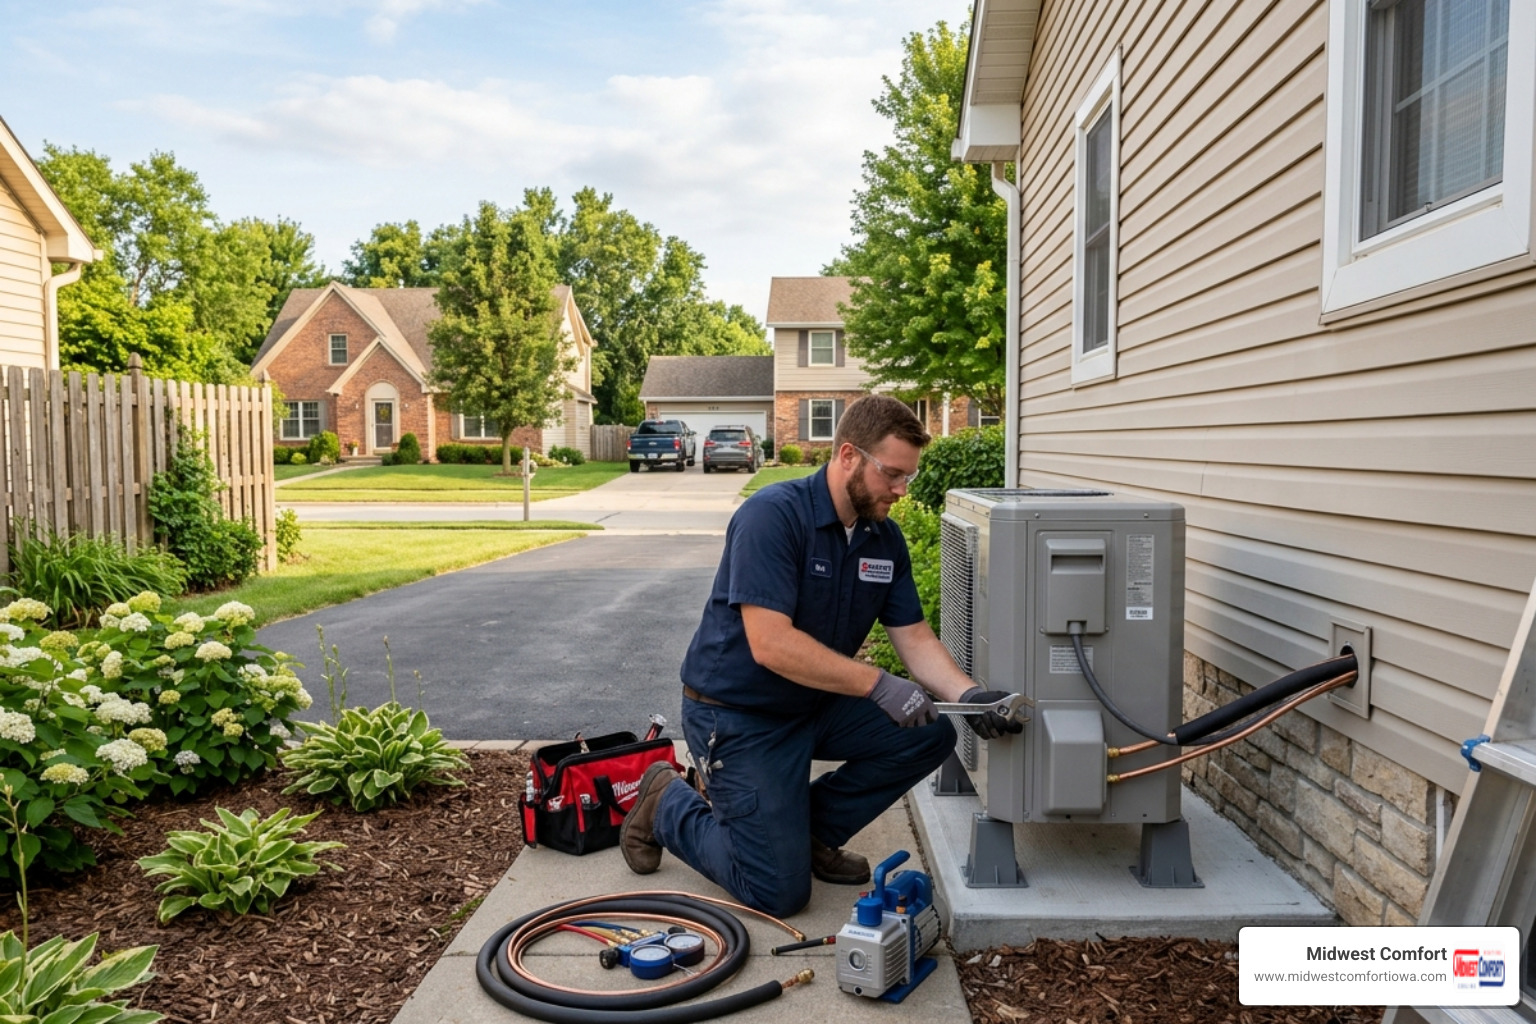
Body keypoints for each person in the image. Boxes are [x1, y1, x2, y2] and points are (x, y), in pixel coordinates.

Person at [618, 395, 1020, 917]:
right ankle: (667, 801)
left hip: (813, 705)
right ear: (849, 456)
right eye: (893, 474)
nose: (901, 490)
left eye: (908, 478)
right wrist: (878, 684)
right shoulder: (772, 517)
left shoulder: (882, 539)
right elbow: (771, 644)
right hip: (738, 715)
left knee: (930, 733)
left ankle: (804, 834)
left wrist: (970, 696)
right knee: (778, 893)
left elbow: (914, 637)